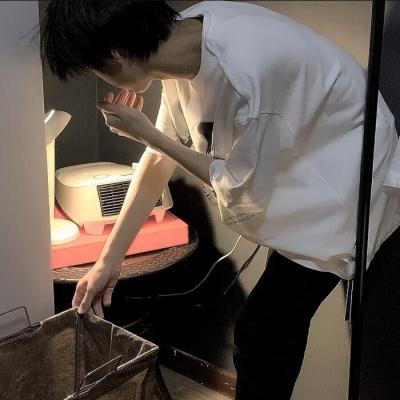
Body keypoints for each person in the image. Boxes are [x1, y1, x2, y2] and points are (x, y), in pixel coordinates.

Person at [41, 1, 400, 399]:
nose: (100, 79)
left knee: (263, 332)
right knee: (266, 331)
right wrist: (109, 261)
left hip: (347, 186)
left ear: (117, 54)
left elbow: (240, 188)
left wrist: (148, 135)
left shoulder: (251, 74)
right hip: (302, 168)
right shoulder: (176, 41)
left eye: (95, 69)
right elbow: (158, 160)